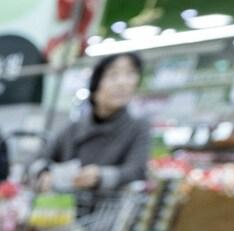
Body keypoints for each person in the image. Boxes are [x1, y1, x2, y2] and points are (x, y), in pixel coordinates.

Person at [37, 52, 151, 193]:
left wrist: (101, 175)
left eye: (130, 74)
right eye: (113, 75)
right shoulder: (74, 128)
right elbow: (38, 159)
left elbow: (137, 170)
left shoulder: (138, 127)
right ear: (95, 87)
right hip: (66, 207)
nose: (122, 83)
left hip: (111, 209)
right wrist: (44, 173)